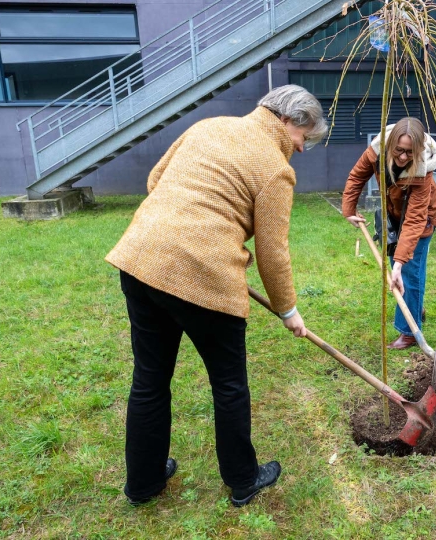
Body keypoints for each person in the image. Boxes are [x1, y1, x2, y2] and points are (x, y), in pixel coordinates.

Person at [105, 85, 327, 507]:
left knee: (149, 379)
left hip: (141, 259)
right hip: (203, 276)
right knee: (229, 385)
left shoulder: (207, 127)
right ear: (287, 121)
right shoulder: (275, 169)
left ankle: (144, 482)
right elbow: (272, 252)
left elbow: (155, 181)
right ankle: (243, 479)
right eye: (304, 138)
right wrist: (288, 310)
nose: (301, 148)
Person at [341, 117, 436, 350]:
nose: (404, 157)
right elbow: (357, 176)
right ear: (391, 144)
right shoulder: (377, 150)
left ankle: (409, 332)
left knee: (408, 271)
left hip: (420, 218)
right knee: (399, 265)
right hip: (393, 213)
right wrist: (349, 209)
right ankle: (414, 305)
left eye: (410, 152)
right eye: (399, 150)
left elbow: (415, 219)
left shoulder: (423, 168)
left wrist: (399, 264)